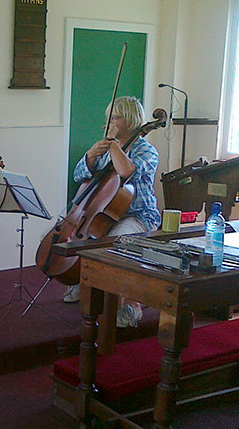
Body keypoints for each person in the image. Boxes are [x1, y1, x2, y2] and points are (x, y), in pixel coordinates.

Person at [61, 96, 161, 328]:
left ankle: (131, 306)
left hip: (138, 215)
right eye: (108, 117)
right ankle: (85, 280)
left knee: (117, 244)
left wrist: (114, 145)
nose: (108, 122)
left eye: (114, 117)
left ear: (132, 120)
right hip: (106, 213)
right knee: (85, 239)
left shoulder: (146, 150)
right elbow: (79, 175)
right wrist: (91, 155)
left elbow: (127, 172)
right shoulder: (107, 149)